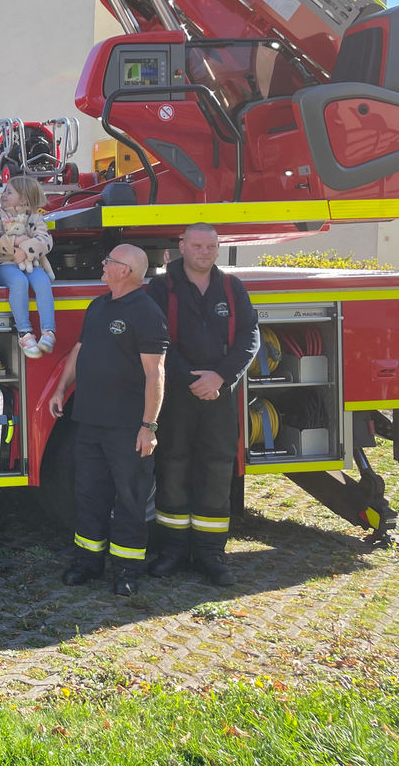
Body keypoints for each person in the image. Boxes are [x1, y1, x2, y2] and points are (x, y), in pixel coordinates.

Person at [47, 244, 167, 598]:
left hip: (127, 427)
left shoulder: (146, 312)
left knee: (129, 499)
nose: (102, 263)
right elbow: (79, 350)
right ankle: (88, 562)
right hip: (89, 421)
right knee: (88, 494)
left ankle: (127, 570)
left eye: (109, 261)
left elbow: (156, 373)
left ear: (126, 271)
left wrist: (149, 426)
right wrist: (60, 389)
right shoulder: (99, 306)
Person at [145, 223, 260, 587]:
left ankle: (211, 554)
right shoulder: (161, 287)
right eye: (196, 245)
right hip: (177, 393)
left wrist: (221, 377)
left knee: (217, 468)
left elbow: (250, 337)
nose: (204, 252)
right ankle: (173, 551)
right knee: (172, 465)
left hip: (219, 393)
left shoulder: (232, 288)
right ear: (181, 246)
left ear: (218, 248)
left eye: (210, 246)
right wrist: (192, 380)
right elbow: (157, 338)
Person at [0, 175, 56, 357]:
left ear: (24, 199)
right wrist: (16, 242)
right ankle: (24, 333)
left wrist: (25, 251)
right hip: (3, 265)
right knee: (19, 282)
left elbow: (45, 240)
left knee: (42, 281)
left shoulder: (35, 217)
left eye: (9, 192)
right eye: (4, 191)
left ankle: (48, 331)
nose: (3, 195)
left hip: (31, 263)